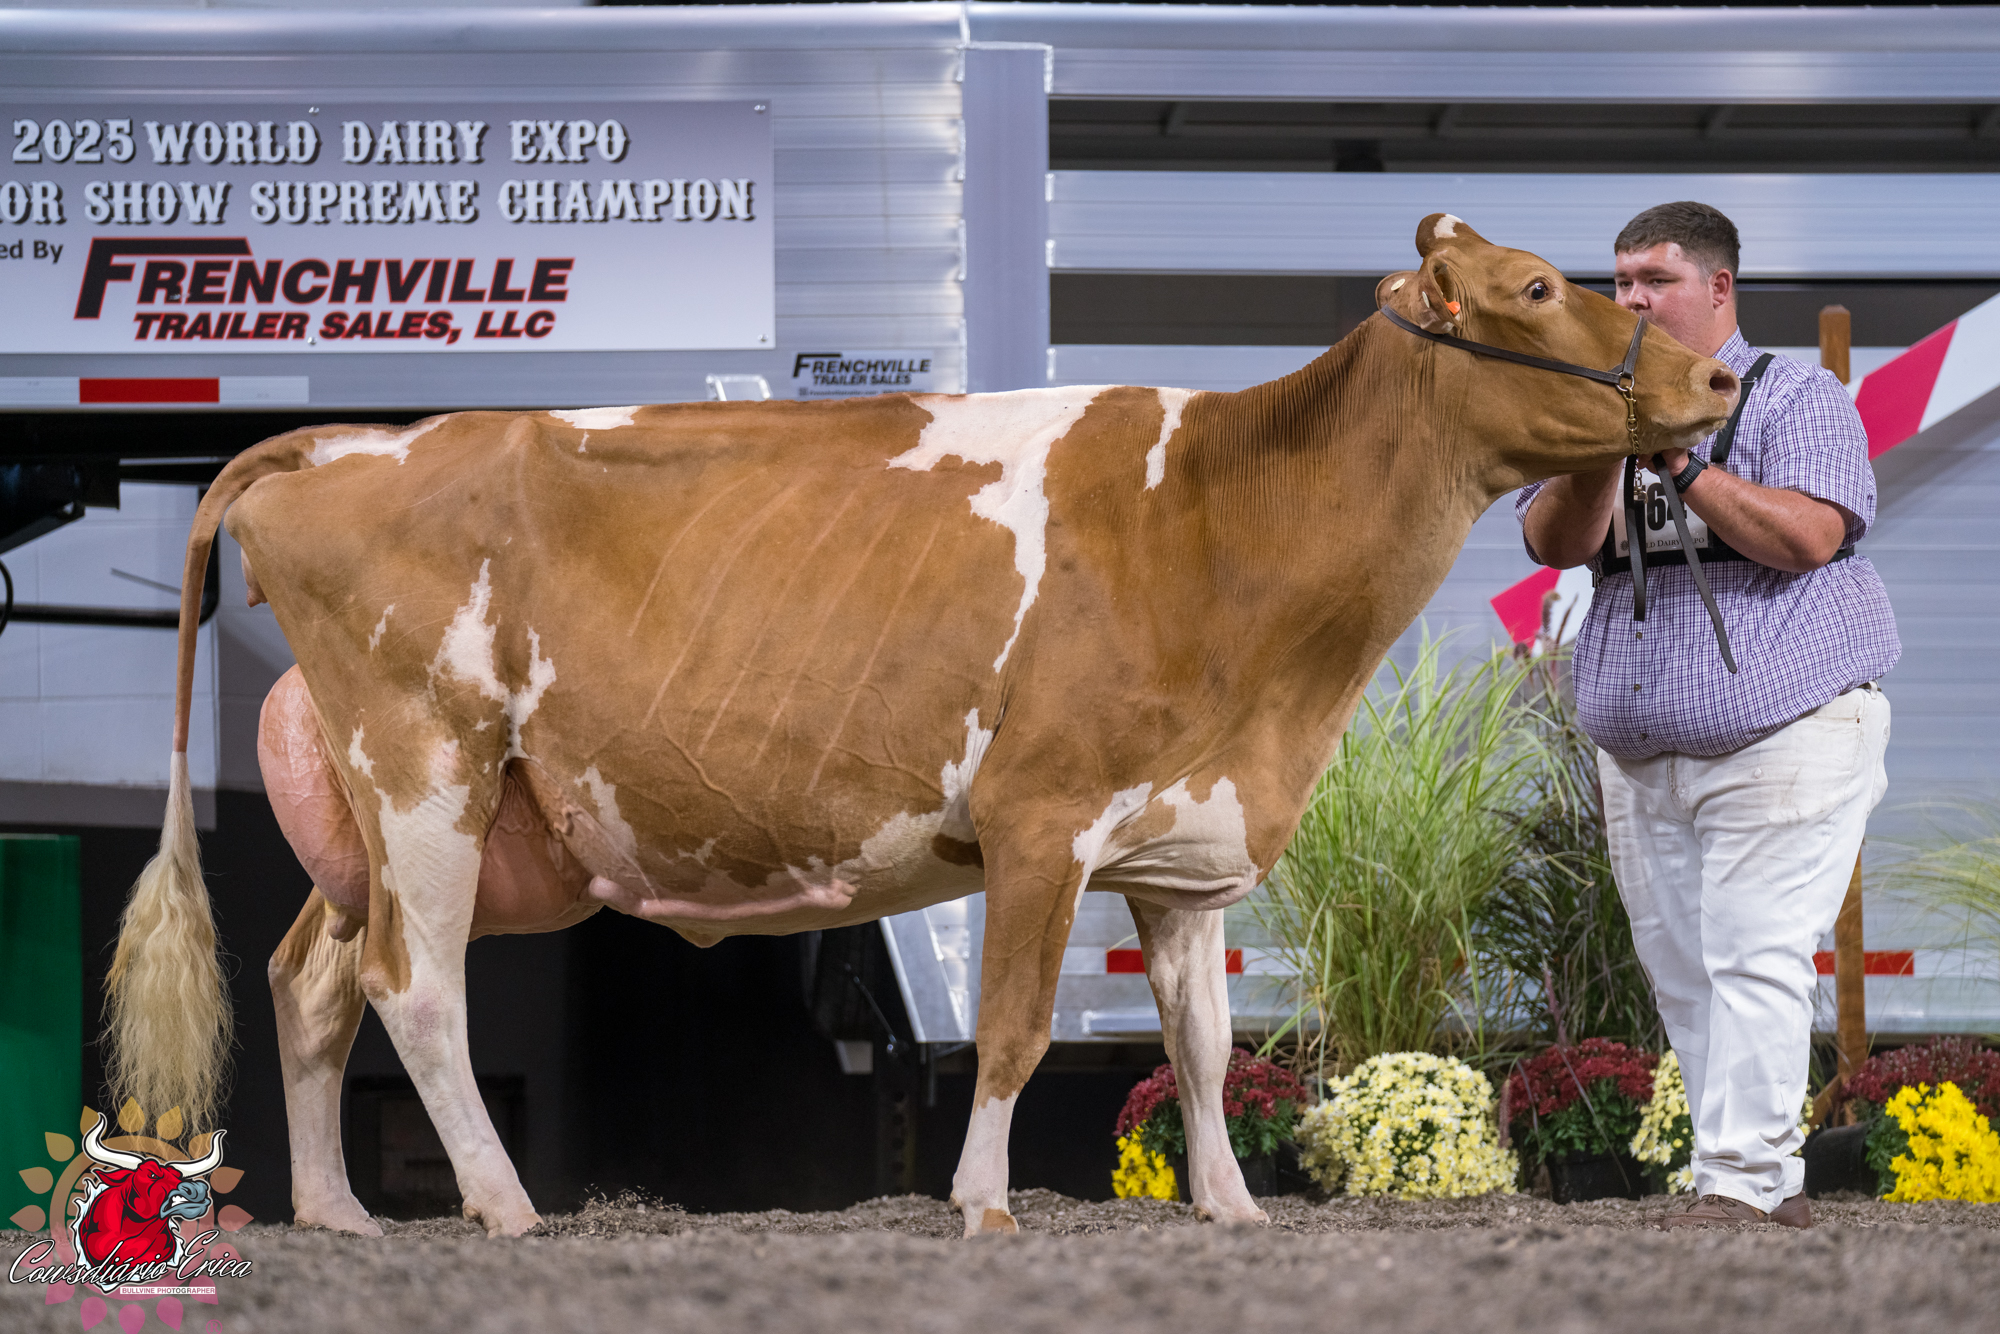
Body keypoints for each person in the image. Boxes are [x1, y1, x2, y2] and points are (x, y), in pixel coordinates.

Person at [1517, 201, 1899, 1229]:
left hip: (1789, 727)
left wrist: (1682, 461)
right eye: (1620, 281)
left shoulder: (1795, 395)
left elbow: (1809, 537)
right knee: (1685, 976)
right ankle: (1759, 1183)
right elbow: (1553, 545)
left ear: (1718, 287)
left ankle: (1738, 1178)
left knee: (1755, 952)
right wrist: (1606, 445)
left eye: (1656, 278)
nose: (1631, 299)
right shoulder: (1593, 407)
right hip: (1641, 750)